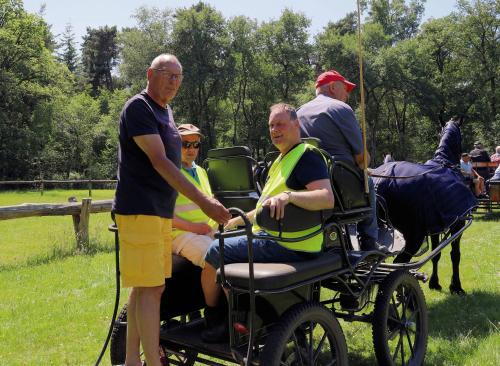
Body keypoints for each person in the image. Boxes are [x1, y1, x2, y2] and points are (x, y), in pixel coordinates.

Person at [112, 54, 231, 366]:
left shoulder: (165, 111)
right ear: (151, 73)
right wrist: (206, 203)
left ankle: (131, 362)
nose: (175, 82)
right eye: (169, 75)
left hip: (159, 212)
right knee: (152, 291)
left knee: (145, 288)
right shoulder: (139, 107)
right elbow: (160, 161)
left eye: (179, 76)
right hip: (142, 209)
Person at [201, 103, 335, 342]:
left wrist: (290, 196)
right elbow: (265, 206)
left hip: (292, 243)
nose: (275, 130)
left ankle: (220, 320)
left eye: (280, 124)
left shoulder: (307, 156)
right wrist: (237, 221)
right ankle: (242, 316)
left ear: (296, 124)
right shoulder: (281, 160)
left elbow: (326, 198)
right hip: (274, 237)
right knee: (220, 240)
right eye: (271, 125)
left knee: (214, 251)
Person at [297, 69, 386, 253]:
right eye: (346, 89)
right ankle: (369, 241)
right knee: (368, 183)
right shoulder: (340, 109)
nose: (347, 95)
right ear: (332, 87)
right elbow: (362, 158)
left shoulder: (298, 113)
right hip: (340, 186)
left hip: (307, 184)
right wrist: (363, 167)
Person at [172, 123, 217, 268]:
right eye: (186, 144)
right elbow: (161, 214)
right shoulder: (169, 172)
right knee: (217, 257)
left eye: (195, 144)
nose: (191, 149)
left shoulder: (201, 171)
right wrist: (194, 228)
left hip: (205, 232)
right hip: (179, 234)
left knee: (238, 251)